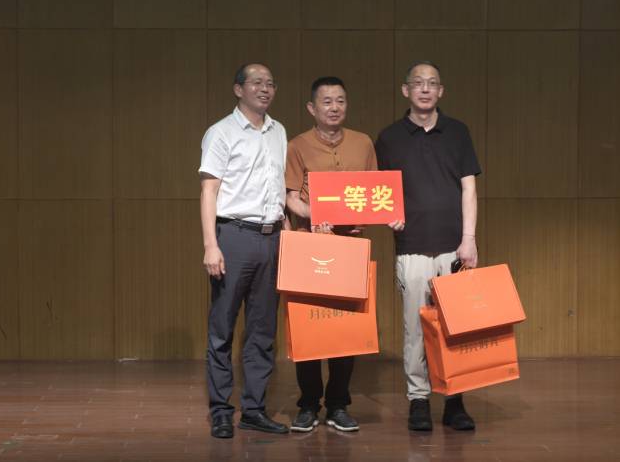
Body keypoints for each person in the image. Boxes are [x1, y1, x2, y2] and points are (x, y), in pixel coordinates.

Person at [375, 61, 481, 431]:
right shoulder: (389, 138)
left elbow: (469, 188)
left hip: (454, 247)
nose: (425, 89)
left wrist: (469, 240)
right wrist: (388, 213)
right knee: (415, 328)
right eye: (418, 83)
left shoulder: (458, 132)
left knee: (457, 327)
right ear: (405, 90)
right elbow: (379, 191)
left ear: (440, 91)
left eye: (432, 83)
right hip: (412, 246)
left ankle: (455, 401)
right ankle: (418, 400)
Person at [199, 63, 289, 438]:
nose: (265, 89)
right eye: (256, 83)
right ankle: (221, 410)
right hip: (233, 235)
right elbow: (209, 191)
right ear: (239, 89)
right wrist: (211, 245)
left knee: (262, 331)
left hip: (271, 238)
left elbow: (278, 187)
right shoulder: (221, 132)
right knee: (222, 328)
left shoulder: (278, 131)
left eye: (270, 83)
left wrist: (286, 229)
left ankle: (254, 409)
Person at [285, 76, 378, 432]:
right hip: (309, 245)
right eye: (326, 101)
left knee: (345, 329)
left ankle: (338, 404)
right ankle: (308, 404)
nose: (334, 107)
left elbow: (372, 192)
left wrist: (359, 218)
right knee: (308, 327)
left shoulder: (363, 142)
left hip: (349, 247)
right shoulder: (297, 145)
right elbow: (290, 197)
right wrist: (317, 215)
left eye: (340, 100)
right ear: (312, 108)